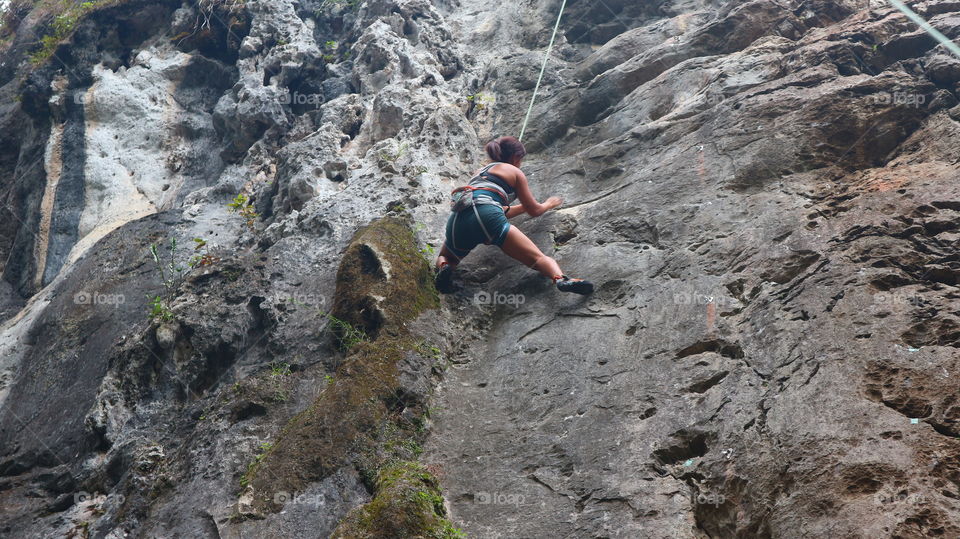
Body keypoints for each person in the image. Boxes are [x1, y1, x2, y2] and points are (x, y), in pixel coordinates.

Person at [435, 136, 594, 295]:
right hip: (487, 214)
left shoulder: (478, 173)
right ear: (515, 157)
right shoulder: (514, 171)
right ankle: (560, 279)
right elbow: (534, 210)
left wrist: (523, 207)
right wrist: (549, 204)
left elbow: (497, 208)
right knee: (537, 258)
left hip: (458, 219)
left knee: (446, 256)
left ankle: (444, 267)